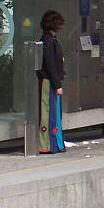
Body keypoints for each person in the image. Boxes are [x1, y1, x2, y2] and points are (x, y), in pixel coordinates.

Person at [38, 10, 66, 154]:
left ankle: (54, 143)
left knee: (52, 112)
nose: (61, 26)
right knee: (49, 112)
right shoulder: (49, 40)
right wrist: (57, 84)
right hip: (49, 82)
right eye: (59, 23)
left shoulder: (49, 39)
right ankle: (48, 144)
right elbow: (50, 64)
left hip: (51, 81)